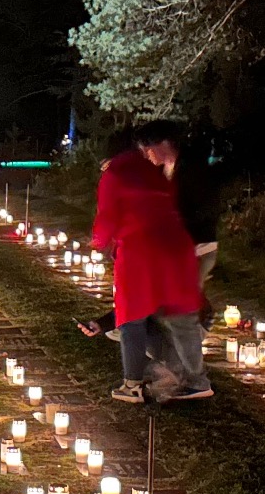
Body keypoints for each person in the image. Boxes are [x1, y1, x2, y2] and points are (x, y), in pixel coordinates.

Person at [90, 133, 210, 403]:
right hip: (176, 250)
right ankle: (192, 379)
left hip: (141, 253)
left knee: (132, 318)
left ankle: (132, 385)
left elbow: (107, 216)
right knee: (174, 317)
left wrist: (98, 241)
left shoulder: (115, 174)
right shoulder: (154, 172)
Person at [136, 121, 219, 282]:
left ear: (163, 144)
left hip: (198, 246)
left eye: (147, 149)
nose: (146, 155)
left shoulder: (194, 169)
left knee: (183, 293)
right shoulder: (160, 172)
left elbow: (206, 208)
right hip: (172, 246)